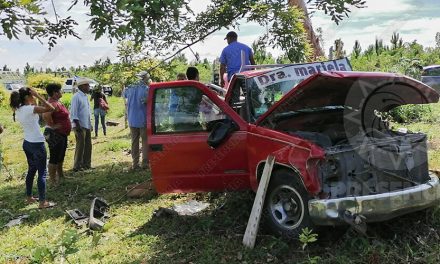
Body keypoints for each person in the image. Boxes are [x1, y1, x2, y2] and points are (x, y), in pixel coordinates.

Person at [9, 87, 56, 209]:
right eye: (32, 95)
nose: (34, 97)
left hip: (27, 143)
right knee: (42, 173)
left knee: (32, 170)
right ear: (26, 97)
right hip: (37, 144)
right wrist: (39, 96)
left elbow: (35, 109)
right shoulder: (30, 109)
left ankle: (29, 197)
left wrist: (33, 97)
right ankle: (42, 202)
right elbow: (51, 108)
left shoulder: (19, 109)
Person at [42, 83, 71, 186]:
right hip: (55, 134)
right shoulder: (52, 104)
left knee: (60, 155)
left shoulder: (56, 102)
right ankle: (52, 180)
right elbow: (45, 114)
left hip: (61, 133)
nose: (61, 92)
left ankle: (61, 175)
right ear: (55, 93)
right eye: (60, 90)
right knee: (54, 157)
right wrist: (52, 125)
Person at [123, 71, 150, 170]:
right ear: (145, 79)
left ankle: (135, 164)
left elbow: (124, 95)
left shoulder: (129, 88)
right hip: (142, 119)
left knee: (134, 141)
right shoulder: (146, 89)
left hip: (132, 119)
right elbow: (148, 101)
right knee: (145, 141)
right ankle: (145, 163)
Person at [70, 78, 93, 172]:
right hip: (79, 125)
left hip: (86, 124)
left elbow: (86, 112)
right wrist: (77, 125)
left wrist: (90, 124)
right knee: (80, 146)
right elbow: (74, 113)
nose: (89, 87)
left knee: (88, 145)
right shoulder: (76, 96)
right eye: (87, 85)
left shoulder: (85, 96)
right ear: (82, 86)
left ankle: (87, 164)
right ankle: (77, 166)